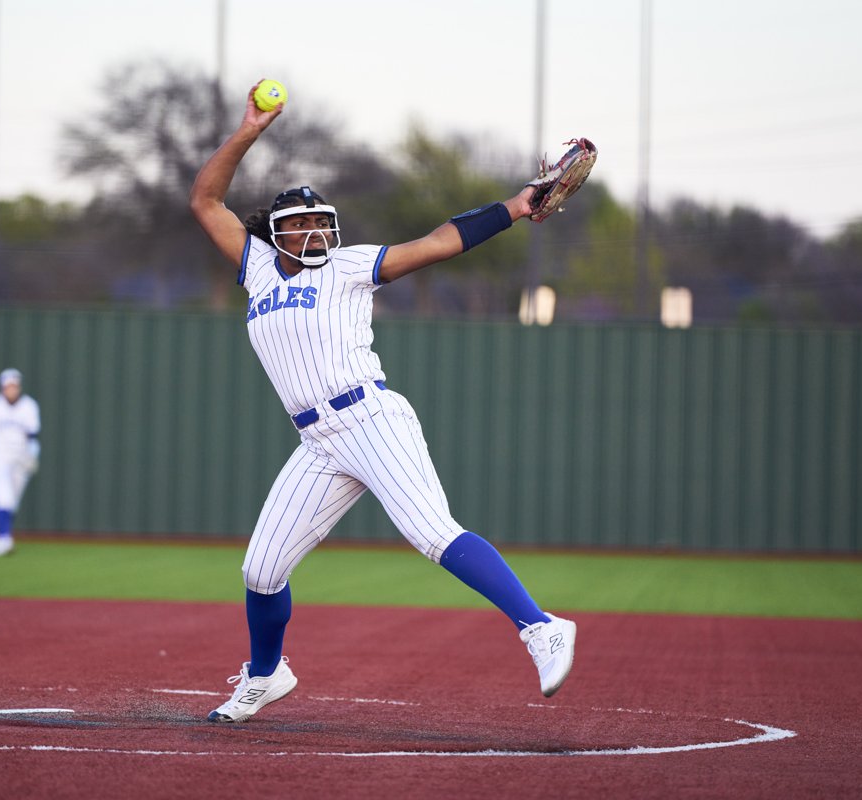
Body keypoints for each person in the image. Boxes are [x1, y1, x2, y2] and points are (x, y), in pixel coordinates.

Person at [188, 82, 578, 724]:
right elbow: (205, 199)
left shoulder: (347, 266)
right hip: (317, 441)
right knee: (261, 570)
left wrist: (515, 205)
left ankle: (540, 626)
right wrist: (248, 132)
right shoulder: (256, 267)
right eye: (301, 224)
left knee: (432, 533)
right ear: (276, 233)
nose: (314, 232)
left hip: (370, 417)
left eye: (322, 222)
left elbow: (438, 242)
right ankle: (266, 674)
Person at [0, 368, 41, 556]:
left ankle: (0, 537)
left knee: (13, 502)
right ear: (2, 387)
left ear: (19, 387)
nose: (11, 389)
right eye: (8, 386)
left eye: (14, 386)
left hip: (20, 458)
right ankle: (4, 539)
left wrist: (33, 456)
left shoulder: (29, 406)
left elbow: (33, 436)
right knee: (4, 496)